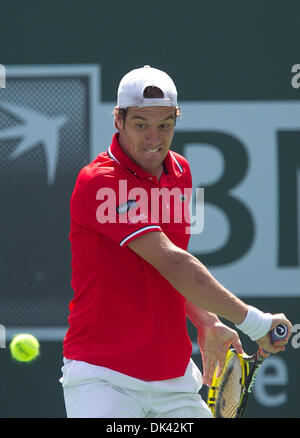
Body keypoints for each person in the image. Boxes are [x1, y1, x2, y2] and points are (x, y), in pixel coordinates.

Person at [60, 65, 292, 418]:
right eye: (141, 125)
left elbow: (170, 266)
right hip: (103, 379)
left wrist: (206, 321)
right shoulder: (100, 182)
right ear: (118, 121)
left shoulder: (180, 172)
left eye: (165, 125)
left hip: (174, 381)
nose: (154, 138)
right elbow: (174, 263)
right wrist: (255, 322)